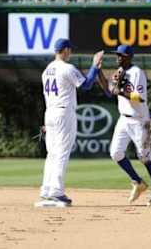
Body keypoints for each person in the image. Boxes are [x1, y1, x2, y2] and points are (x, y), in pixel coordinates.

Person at [38, 39, 104, 207]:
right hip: (63, 112)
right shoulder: (67, 68)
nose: (71, 52)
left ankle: (46, 190)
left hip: (50, 112)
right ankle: (56, 192)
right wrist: (95, 65)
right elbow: (86, 85)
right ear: (66, 50)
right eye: (70, 50)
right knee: (61, 152)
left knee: (52, 153)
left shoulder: (47, 70)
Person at [100, 44, 151, 206]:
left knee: (144, 156)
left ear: (129, 57)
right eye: (117, 55)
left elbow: (140, 98)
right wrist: (98, 71)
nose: (118, 58)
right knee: (115, 153)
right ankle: (138, 182)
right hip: (124, 119)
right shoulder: (119, 72)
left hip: (140, 120)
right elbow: (109, 90)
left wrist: (120, 91)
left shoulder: (137, 73)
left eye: (121, 55)